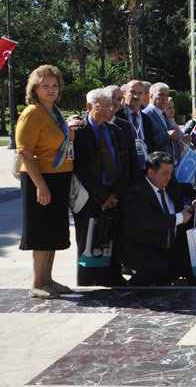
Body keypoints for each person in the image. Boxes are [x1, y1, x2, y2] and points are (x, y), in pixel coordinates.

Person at [16, 65, 74, 298]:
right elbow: (25, 152)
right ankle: (37, 283)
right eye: (45, 86)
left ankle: (48, 279)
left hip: (59, 178)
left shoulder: (54, 112)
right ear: (35, 89)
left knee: (53, 232)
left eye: (54, 86)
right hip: (40, 180)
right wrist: (40, 185)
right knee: (41, 233)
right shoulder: (32, 113)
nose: (51, 90)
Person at [118, 152, 196, 287]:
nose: (169, 177)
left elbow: (194, 187)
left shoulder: (171, 184)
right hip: (140, 246)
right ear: (151, 173)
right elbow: (149, 221)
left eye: (170, 172)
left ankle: (159, 286)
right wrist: (180, 217)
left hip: (167, 245)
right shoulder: (137, 192)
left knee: (183, 266)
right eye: (165, 173)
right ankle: (131, 288)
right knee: (158, 268)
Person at [72, 88, 130, 287]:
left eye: (110, 106)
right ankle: (88, 286)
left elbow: (124, 165)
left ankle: (111, 281)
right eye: (101, 106)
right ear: (89, 107)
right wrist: (102, 196)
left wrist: (114, 195)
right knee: (88, 247)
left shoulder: (116, 131)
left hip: (113, 199)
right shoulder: (79, 132)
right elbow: (81, 169)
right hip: (89, 199)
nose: (107, 110)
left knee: (111, 245)